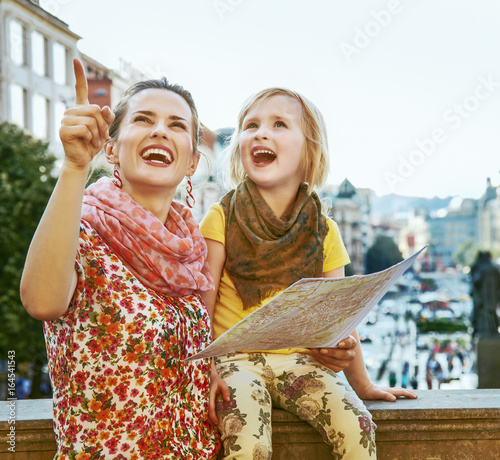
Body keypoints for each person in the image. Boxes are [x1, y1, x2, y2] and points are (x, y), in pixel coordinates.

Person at [199, 87, 417, 459]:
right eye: (250, 125)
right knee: (246, 438)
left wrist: (361, 383)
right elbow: (201, 307)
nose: (260, 133)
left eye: (279, 124)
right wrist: (203, 373)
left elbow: (340, 316)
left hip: (301, 361)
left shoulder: (326, 230)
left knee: (359, 424)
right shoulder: (220, 217)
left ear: (309, 151)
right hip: (233, 361)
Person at [20, 59, 220, 459]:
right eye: (144, 119)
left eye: (177, 125)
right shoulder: (81, 228)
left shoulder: (191, 253)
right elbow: (41, 301)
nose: (161, 130)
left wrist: (210, 369)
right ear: (111, 148)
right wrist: (75, 166)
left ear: (192, 164)